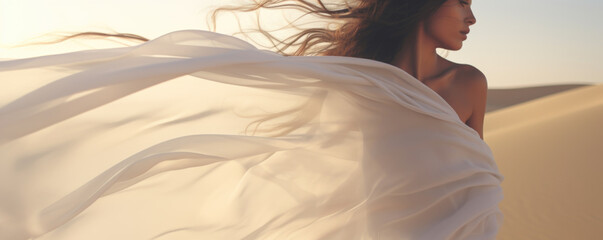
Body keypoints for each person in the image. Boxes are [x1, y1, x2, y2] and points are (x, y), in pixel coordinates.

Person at [0, 0, 503, 239]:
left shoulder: (467, 85)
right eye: (462, 1)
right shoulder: (353, 86)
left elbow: (480, 181)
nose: (472, 17)